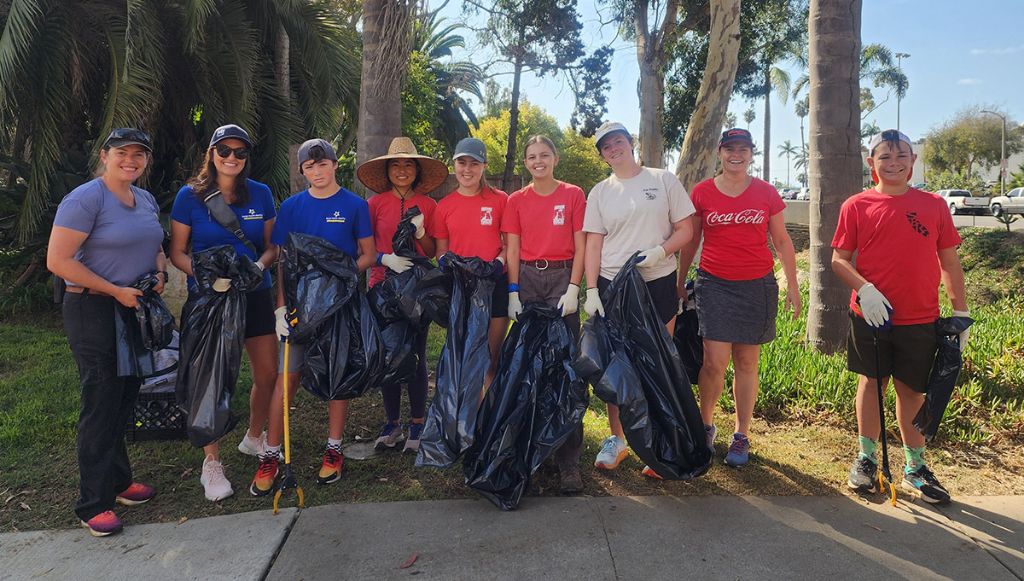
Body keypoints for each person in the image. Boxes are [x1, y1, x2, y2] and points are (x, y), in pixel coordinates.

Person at [833, 129, 969, 504]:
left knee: (912, 391)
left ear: (912, 160)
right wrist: (866, 288)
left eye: (901, 156)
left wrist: (960, 313)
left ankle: (915, 466)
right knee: (871, 385)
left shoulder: (934, 206)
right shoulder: (856, 205)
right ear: (871, 162)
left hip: (920, 317)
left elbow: (950, 263)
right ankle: (866, 458)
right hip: (871, 315)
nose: (893, 164)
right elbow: (839, 260)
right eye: (885, 157)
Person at [47, 128, 165, 536]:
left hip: (133, 305)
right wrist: (115, 290)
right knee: (101, 398)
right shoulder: (85, 198)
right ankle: (92, 503)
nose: (130, 160)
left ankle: (119, 482)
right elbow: (58, 260)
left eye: (139, 154)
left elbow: (155, 244)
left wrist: (161, 272)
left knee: (126, 392)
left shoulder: (144, 198)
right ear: (105, 154)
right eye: (122, 153)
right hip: (93, 307)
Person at [249, 138, 376, 496]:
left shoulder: (355, 205)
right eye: (310, 167)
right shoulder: (291, 207)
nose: (317, 172)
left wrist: (339, 275)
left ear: (336, 165)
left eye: (323, 165)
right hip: (299, 309)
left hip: (340, 305)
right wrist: (279, 307)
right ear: (302, 171)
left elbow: (368, 254)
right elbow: (283, 259)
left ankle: (334, 449)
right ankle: (271, 454)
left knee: (338, 374)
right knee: (286, 379)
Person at [677, 128, 800, 468]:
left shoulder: (766, 193)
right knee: (714, 362)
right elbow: (691, 240)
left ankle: (741, 434)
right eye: (730, 148)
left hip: (756, 286)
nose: (736, 154)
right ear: (720, 151)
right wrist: (679, 280)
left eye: (743, 149)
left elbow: (783, 241)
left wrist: (792, 285)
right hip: (714, 284)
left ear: (751, 154)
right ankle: (704, 426)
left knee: (747, 362)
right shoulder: (702, 192)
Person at [169, 124, 279, 501]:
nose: (232, 158)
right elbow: (178, 252)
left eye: (240, 152)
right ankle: (211, 462)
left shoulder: (261, 194)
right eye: (225, 150)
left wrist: (260, 268)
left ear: (247, 157)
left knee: (267, 374)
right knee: (211, 377)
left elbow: (271, 246)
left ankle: (253, 436)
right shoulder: (190, 197)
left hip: (254, 293)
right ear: (212, 153)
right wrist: (205, 276)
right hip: (211, 299)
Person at [581, 121, 695, 477]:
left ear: (629, 143)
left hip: (656, 282)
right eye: (605, 147)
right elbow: (593, 243)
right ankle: (618, 440)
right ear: (602, 154)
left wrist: (660, 252)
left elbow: (686, 230)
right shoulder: (600, 192)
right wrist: (590, 290)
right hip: (613, 284)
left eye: (617, 141)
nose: (613, 149)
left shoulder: (662, 180)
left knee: (657, 361)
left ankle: (658, 444)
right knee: (620, 364)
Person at [502, 134, 587, 492]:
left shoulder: (573, 195)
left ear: (555, 158)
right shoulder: (515, 200)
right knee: (527, 370)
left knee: (567, 369)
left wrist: (573, 288)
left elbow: (582, 244)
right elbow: (513, 249)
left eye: (544, 155)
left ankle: (569, 461)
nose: (538, 161)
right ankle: (531, 454)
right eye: (532, 157)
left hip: (561, 278)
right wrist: (512, 292)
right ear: (525, 163)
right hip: (529, 281)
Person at [356, 136, 448, 453]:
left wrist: (421, 233)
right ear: (388, 169)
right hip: (382, 287)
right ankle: (392, 422)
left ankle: (418, 423)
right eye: (396, 164)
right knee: (389, 355)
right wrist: (383, 258)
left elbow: (434, 251)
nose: (402, 170)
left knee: (416, 355)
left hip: (417, 290)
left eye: (409, 164)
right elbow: (362, 247)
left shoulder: (429, 205)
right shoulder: (374, 204)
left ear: (417, 169)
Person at [432, 137, 509, 389]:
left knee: (490, 357)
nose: (467, 169)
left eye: (474, 163)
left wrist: (497, 263)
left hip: (495, 284)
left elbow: (511, 243)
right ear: (454, 165)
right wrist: (450, 265)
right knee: (464, 354)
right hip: (461, 288)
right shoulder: (444, 206)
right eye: (462, 163)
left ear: (484, 165)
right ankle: (464, 418)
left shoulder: (500, 200)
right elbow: (441, 252)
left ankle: (487, 420)